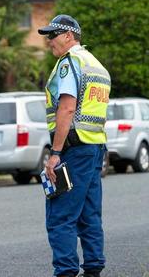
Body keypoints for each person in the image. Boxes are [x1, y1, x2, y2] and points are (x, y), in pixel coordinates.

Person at [38, 14, 111, 277]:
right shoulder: (96, 65)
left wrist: (55, 153)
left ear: (69, 36)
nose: (49, 42)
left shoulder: (69, 64)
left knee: (61, 218)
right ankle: (93, 270)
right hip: (95, 150)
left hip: (73, 150)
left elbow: (67, 109)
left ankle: (66, 272)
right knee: (89, 215)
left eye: (53, 35)